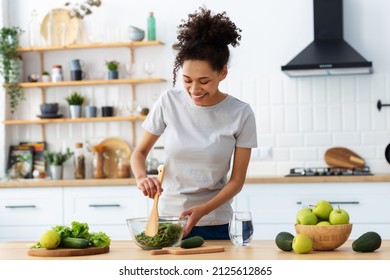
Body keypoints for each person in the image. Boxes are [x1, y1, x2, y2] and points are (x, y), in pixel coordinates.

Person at [130, 7, 257, 240]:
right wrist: (141, 178)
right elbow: (139, 153)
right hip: (169, 220)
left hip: (216, 222)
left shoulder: (241, 113)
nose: (194, 90)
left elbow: (237, 181)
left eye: (204, 81)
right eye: (187, 80)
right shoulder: (169, 101)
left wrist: (204, 210)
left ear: (223, 73)